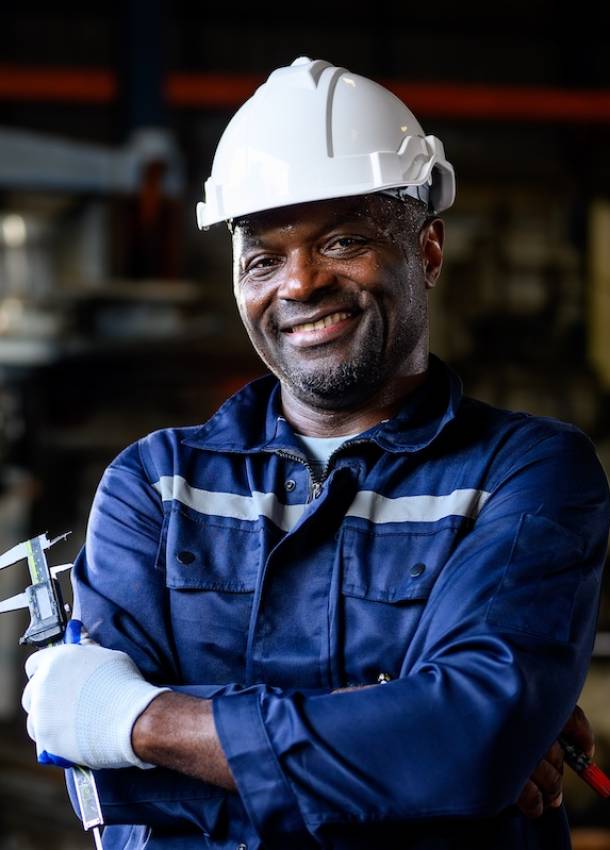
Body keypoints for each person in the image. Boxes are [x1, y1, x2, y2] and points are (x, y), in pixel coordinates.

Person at [21, 56, 609, 850]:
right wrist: (413, 760)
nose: (299, 283)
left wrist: (141, 720)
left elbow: (471, 744)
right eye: (263, 256)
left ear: (428, 251)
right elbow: (110, 789)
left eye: (342, 239)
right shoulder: (155, 485)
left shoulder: (529, 474)